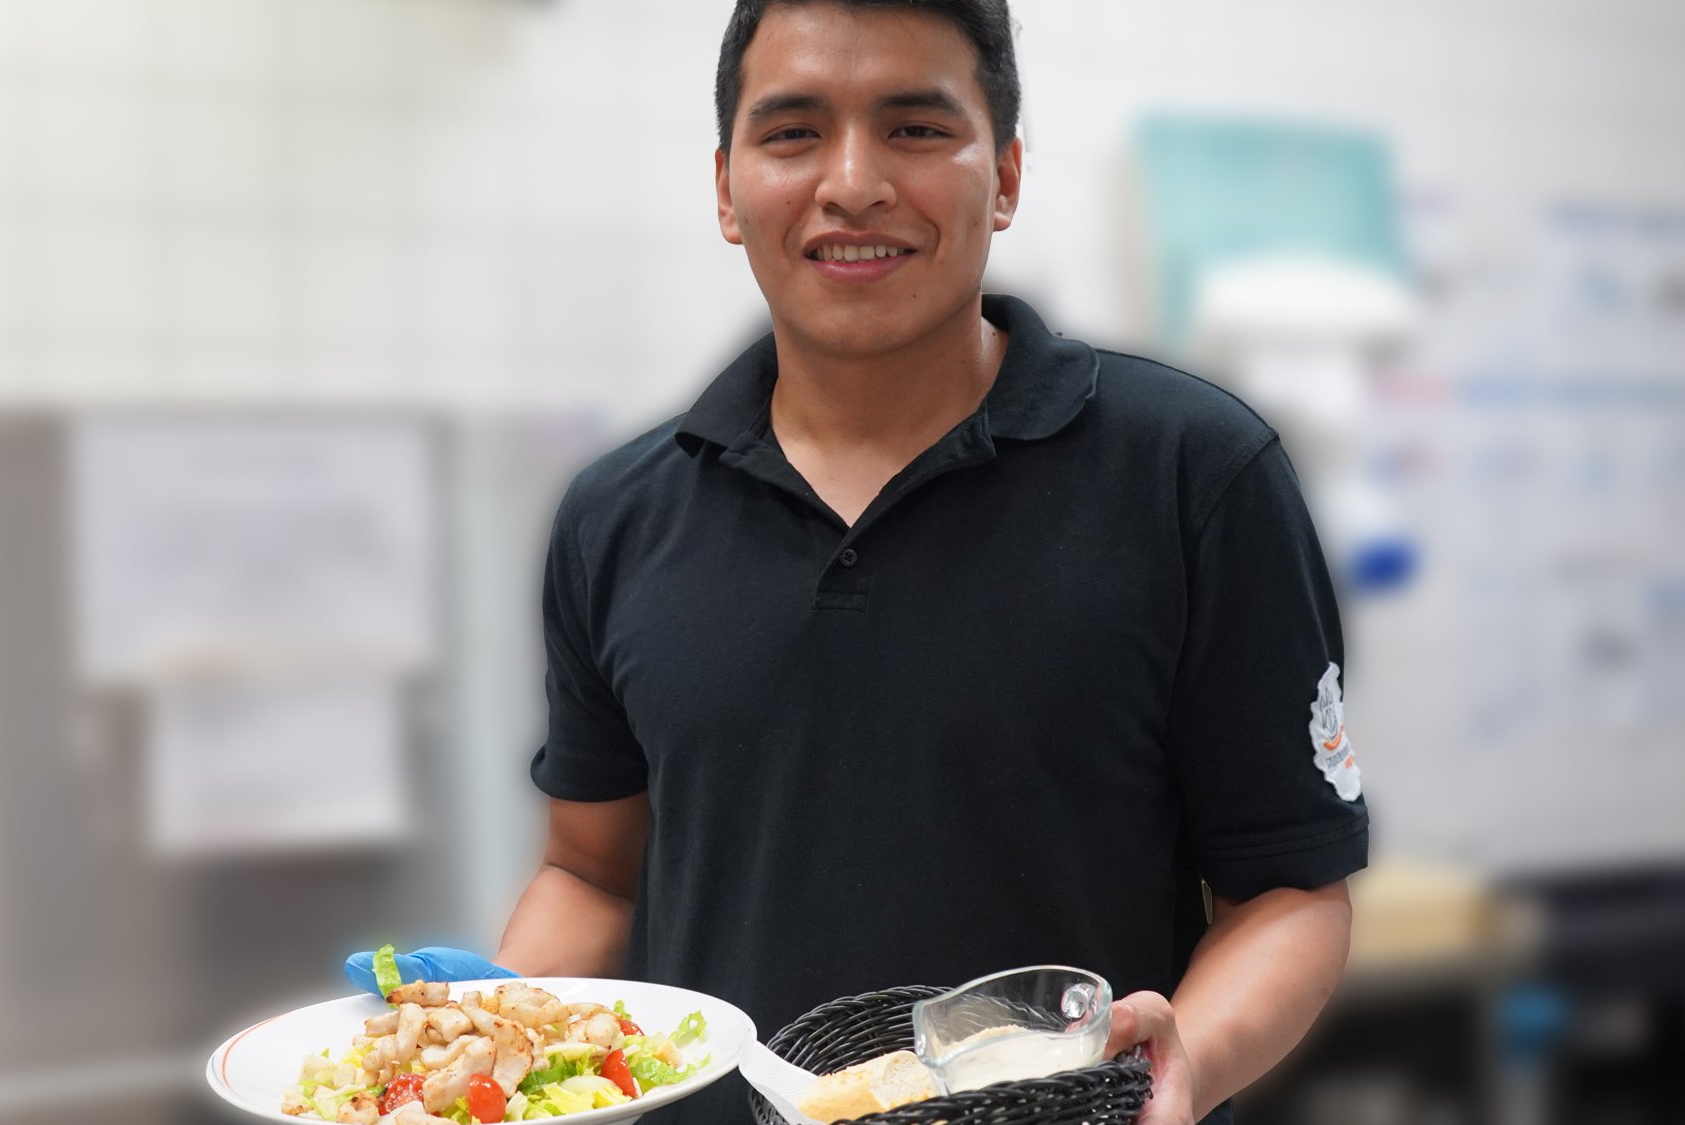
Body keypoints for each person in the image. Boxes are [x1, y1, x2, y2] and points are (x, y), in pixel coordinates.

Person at [346, 2, 1367, 1122]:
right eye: (791, 133)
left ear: (1007, 175)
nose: (851, 183)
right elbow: (592, 868)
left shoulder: (1190, 475)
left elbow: (1288, 885)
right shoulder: (618, 515)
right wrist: (503, 1028)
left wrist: (1182, 1072)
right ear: (727, 191)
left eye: (915, 129)